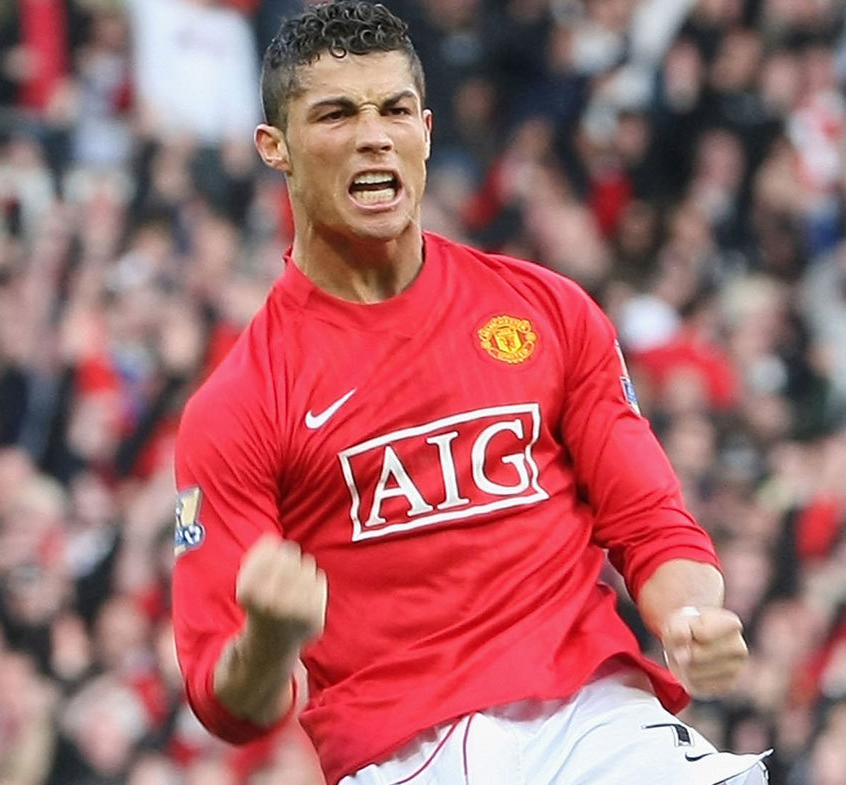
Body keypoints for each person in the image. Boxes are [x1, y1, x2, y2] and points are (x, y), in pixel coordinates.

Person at [170, 2, 770, 783]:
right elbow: (226, 699)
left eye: (392, 110)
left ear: (425, 129)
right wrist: (270, 640)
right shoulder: (240, 403)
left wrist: (689, 616)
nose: (373, 135)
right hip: (407, 750)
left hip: (595, 716)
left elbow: (651, 522)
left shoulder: (548, 311)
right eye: (336, 114)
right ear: (274, 148)